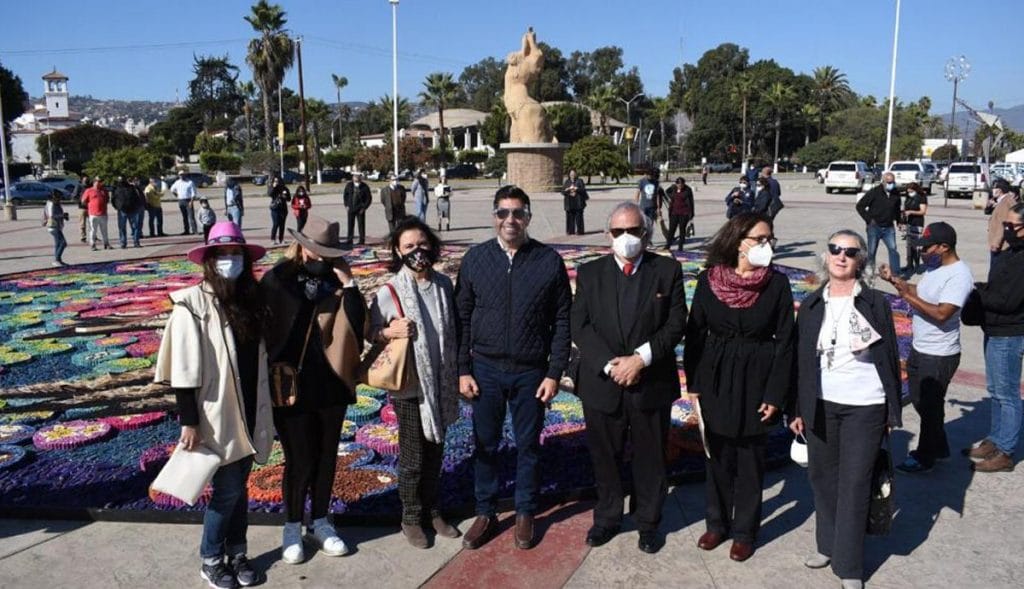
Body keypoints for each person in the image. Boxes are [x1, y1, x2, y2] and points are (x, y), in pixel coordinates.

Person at [154, 221, 274, 589]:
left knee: (239, 487)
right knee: (227, 490)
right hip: (215, 413)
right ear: (209, 260)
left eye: (235, 253)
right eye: (221, 254)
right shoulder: (191, 305)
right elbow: (183, 371)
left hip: (250, 409)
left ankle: (237, 552)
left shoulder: (250, 300)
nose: (229, 260)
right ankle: (211, 559)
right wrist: (189, 422)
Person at [455, 185, 572, 551]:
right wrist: (462, 369)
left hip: (530, 372)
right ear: (494, 216)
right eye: (503, 213)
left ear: (528, 217)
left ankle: (525, 511)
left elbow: (562, 320)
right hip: (485, 368)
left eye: (518, 213)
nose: (510, 220)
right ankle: (486, 511)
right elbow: (462, 318)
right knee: (486, 444)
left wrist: (554, 373)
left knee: (527, 446)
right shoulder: (476, 259)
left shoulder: (547, 261)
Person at [789, 230, 903, 589]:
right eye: (835, 249)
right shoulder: (811, 305)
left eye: (850, 252)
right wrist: (797, 408)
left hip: (865, 406)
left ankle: (850, 565)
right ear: (826, 257)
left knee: (855, 484)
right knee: (822, 479)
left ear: (860, 261)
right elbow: (801, 364)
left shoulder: (874, 304)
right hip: (821, 405)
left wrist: (890, 411)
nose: (841, 256)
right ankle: (827, 545)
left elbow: (888, 358)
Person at [572, 202, 687, 554]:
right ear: (608, 236)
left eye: (634, 231)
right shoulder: (590, 274)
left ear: (646, 234)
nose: (627, 238)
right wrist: (611, 364)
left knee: (651, 457)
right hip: (603, 383)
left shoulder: (666, 270)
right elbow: (581, 325)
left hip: (650, 381)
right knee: (605, 456)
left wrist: (640, 359)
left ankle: (648, 522)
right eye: (619, 231)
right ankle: (607, 518)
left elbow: (676, 322)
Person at [682, 212, 795, 563]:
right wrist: (695, 382)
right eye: (760, 239)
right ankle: (717, 523)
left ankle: (745, 531)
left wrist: (775, 394)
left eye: (769, 239)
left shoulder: (776, 283)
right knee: (717, 454)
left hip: (758, 375)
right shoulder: (709, 281)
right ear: (738, 241)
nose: (767, 246)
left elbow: (786, 341)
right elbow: (696, 333)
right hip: (716, 373)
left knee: (749, 459)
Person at [258, 215, 367, 564]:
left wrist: (349, 284)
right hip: (291, 385)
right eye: (316, 250)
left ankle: (320, 520)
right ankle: (291, 525)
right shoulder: (279, 279)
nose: (321, 257)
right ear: (302, 246)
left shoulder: (338, 279)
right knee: (299, 458)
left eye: (328, 252)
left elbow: (359, 325)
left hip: (332, 383)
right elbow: (263, 329)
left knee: (325, 457)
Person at [368, 217, 461, 548]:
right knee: (412, 456)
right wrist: (388, 331)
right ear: (397, 250)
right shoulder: (390, 290)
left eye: (421, 244)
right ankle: (411, 516)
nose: (417, 251)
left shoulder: (442, 285)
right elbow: (370, 331)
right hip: (410, 387)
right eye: (408, 246)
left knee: (436, 452)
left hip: (441, 382)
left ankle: (434, 510)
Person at [878, 222, 973, 474]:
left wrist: (907, 298)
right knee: (923, 402)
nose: (922, 252)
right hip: (921, 348)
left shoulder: (959, 276)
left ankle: (925, 456)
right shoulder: (936, 269)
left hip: (940, 354)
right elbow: (920, 292)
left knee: (929, 406)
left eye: (927, 247)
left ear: (944, 247)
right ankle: (938, 447)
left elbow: (942, 313)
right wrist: (895, 282)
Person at [963, 202, 1024, 472]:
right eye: (1006, 225)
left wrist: (977, 292)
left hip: (1009, 333)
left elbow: (1008, 301)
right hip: (995, 329)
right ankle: (995, 440)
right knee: (995, 392)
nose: (1008, 230)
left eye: (1013, 226)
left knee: (1007, 394)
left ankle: (1006, 451)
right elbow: (998, 287)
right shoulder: (1012, 253)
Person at [855, 171, 902, 271]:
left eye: (893, 182)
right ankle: (870, 273)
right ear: (883, 182)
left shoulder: (896, 193)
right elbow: (860, 206)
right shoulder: (874, 192)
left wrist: (899, 221)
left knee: (893, 249)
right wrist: (868, 219)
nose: (891, 184)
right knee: (871, 252)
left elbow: (897, 208)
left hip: (889, 227)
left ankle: (896, 273)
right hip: (874, 227)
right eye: (889, 182)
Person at [986, 178, 1019, 264]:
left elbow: (1003, 224)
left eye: (994, 188)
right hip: (1004, 246)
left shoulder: (1005, 203)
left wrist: (996, 244)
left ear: (999, 190)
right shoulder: (1005, 200)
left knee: (996, 271)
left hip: (1002, 247)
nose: (992, 190)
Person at [901, 182, 928, 275]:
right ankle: (909, 265)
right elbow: (905, 210)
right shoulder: (908, 198)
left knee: (916, 246)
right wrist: (903, 221)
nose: (909, 193)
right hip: (909, 223)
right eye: (908, 192)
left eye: (911, 191)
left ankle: (917, 265)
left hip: (918, 223)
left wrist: (911, 212)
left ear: (916, 190)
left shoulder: (921, 197)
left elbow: (923, 211)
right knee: (909, 246)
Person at [664, 177, 695, 251]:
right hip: (674, 213)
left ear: (684, 184)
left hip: (684, 213)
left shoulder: (688, 190)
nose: (680, 185)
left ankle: (680, 247)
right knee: (672, 229)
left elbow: (691, 202)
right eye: (678, 183)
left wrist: (692, 214)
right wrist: (672, 186)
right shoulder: (674, 189)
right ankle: (668, 245)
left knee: (682, 229)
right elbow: (666, 192)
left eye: (681, 184)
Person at [112, 177, 144, 249]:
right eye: (120, 180)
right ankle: (123, 242)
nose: (121, 182)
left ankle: (136, 241)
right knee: (122, 227)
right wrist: (117, 207)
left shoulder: (131, 188)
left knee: (135, 227)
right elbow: (113, 199)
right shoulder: (116, 188)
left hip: (132, 209)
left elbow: (136, 197)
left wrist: (136, 206)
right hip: (122, 210)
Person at [81, 177, 111, 251]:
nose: (99, 183)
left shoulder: (104, 190)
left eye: (100, 181)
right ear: (94, 182)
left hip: (103, 213)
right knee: (93, 230)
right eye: (97, 181)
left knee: (104, 230)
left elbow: (107, 199)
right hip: (93, 214)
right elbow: (83, 201)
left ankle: (106, 244)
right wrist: (90, 206)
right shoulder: (89, 190)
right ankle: (93, 245)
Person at [342, 172, 372, 245]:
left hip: (360, 209)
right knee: (350, 225)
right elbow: (345, 196)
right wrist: (346, 205)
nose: (356, 178)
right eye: (355, 176)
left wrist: (364, 208)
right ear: (353, 177)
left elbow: (369, 199)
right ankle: (349, 240)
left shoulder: (364, 186)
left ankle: (361, 241)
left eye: (358, 176)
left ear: (360, 177)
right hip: (351, 208)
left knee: (361, 225)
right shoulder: (349, 185)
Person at [42, 189, 68, 266]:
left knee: (58, 243)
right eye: (59, 198)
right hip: (53, 226)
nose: (60, 199)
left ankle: (58, 260)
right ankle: (56, 260)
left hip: (57, 226)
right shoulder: (51, 204)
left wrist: (63, 216)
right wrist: (62, 215)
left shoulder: (55, 203)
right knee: (63, 243)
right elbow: (51, 216)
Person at [171, 171, 199, 236]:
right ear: (178, 175)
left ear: (185, 175)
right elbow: (172, 189)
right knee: (184, 216)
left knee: (191, 216)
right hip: (181, 200)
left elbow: (193, 193)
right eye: (180, 175)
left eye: (183, 174)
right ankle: (186, 230)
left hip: (188, 200)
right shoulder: (177, 182)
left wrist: (191, 202)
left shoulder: (190, 182)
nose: (181, 176)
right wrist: (176, 195)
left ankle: (195, 230)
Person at [562, 169, 588, 235]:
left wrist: (577, 189)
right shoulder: (567, 182)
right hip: (569, 203)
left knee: (579, 218)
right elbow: (563, 192)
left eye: (573, 174)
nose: (572, 175)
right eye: (571, 174)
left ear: (576, 174)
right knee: (570, 218)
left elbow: (583, 190)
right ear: (569, 175)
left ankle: (580, 231)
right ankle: (570, 231)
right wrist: (567, 189)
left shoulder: (580, 181)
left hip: (578, 202)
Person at [267, 177, 291, 245]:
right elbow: (269, 194)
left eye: (277, 181)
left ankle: (281, 239)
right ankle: (273, 239)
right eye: (275, 181)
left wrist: (285, 196)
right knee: (275, 224)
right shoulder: (273, 187)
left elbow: (289, 199)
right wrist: (273, 187)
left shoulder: (285, 188)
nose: (276, 182)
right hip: (275, 208)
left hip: (283, 208)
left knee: (282, 225)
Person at [77, 175, 90, 242]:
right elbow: (74, 195)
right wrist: (80, 200)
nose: (86, 182)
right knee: (82, 223)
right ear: (82, 180)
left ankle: (93, 236)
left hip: (90, 207)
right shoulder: (79, 187)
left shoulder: (90, 187)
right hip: (82, 207)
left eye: (87, 180)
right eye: (85, 180)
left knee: (92, 223)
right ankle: (83, 236)